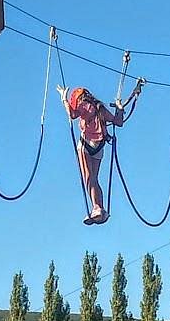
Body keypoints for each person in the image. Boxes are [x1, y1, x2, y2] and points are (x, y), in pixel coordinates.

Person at [57, 84, 138, 225]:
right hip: (99, 147)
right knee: (94, 179)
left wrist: (63, 99)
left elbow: (72, 114)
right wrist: (119, 109)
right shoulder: (100, 108)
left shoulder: (83, 106)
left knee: (89, 179)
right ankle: (99, 208)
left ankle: (96, 208)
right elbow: (118, 122)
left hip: (86, 146)